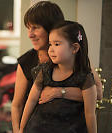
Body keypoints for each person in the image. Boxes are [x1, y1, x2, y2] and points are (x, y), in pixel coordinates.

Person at [11, 1, 102, 133]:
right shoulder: (26, 61)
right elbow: (17, 105)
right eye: (28, 28)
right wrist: (18, 130)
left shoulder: (76, 59)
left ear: (51, 28)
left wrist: (59, 92)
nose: (30, 34)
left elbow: (98, 94)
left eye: (35, 27)